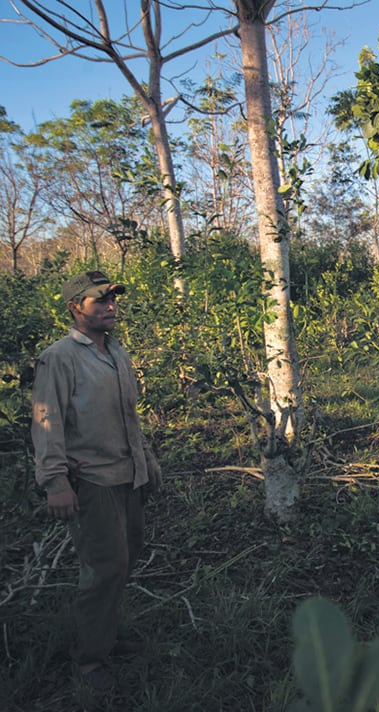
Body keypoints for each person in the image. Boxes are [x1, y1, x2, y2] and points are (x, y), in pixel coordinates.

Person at [31, 270, 158, 702]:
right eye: (100, 300)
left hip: (128, 474)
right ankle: (89, 660)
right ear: (75, 308)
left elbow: (129, 417)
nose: (110, 306)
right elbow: (46, 421)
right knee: (104, 568)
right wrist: (55, 481)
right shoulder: (60, 357)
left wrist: (147, 461)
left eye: (112, 299)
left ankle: (106, 636)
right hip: (91, 479)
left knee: (125, 560)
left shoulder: (116, 351)